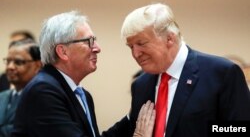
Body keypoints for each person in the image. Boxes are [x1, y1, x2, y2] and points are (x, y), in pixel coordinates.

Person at [11, 11, 155, 137]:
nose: (97, 48)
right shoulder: (43, 91)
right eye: (89, 41)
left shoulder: (82, 94)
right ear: (63, 51)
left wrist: (133, 117)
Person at [121, 3, 250, 137]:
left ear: (169, 38)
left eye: (141, 44)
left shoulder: (222, 73)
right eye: (131, 47)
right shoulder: (140, 85)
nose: (136, 54)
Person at [0, 39, 42, 137]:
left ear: (38, 65)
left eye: (18, 62)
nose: (10, 67)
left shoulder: (42, 98)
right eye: (8, 61)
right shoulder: (2, 96)